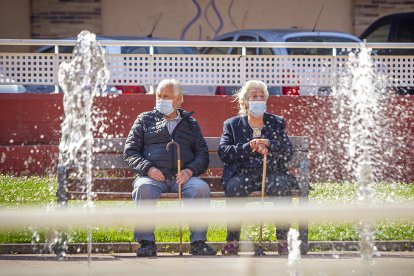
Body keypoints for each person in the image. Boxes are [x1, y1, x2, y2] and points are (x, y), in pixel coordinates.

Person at [124, 79, 216, 257]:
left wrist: (189, 171)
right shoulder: (144, 120)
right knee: (143, 188)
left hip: (182, 178)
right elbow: (131, 151)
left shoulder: (191, 123)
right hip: (152, 177)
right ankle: (146, 243)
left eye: (166, 96)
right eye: (158, 96)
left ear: (179, 99)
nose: (161, 99)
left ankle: (198, 242)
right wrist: (149, 169)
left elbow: (203, 155)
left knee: (200, 188)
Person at [218, 80, 294, 256]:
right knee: (235, 187)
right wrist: (248, 146)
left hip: (271, 172)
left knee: (281, 185)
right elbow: (224, 152)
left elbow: (288, 150)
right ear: (245, 101)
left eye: (262, 96)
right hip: (243, 173)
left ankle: (283, 241)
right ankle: (233, 241)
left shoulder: (276, 122)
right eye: (254, 96)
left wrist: (269, 143)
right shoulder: (232, 124)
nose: (259, 100)